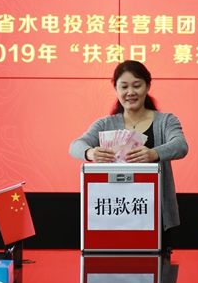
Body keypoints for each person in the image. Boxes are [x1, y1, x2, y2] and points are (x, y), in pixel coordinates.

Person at [70, 60, 188, 232]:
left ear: (148, 87)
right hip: (115, 211)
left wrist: (153, 154)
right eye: (124, 87)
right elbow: (75, 146)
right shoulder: (105, 124)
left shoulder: (165, 121)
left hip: (156, 212)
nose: (130, 92)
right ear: (116, 89)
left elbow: (181, 145)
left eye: (137, 85)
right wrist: (90, 153)